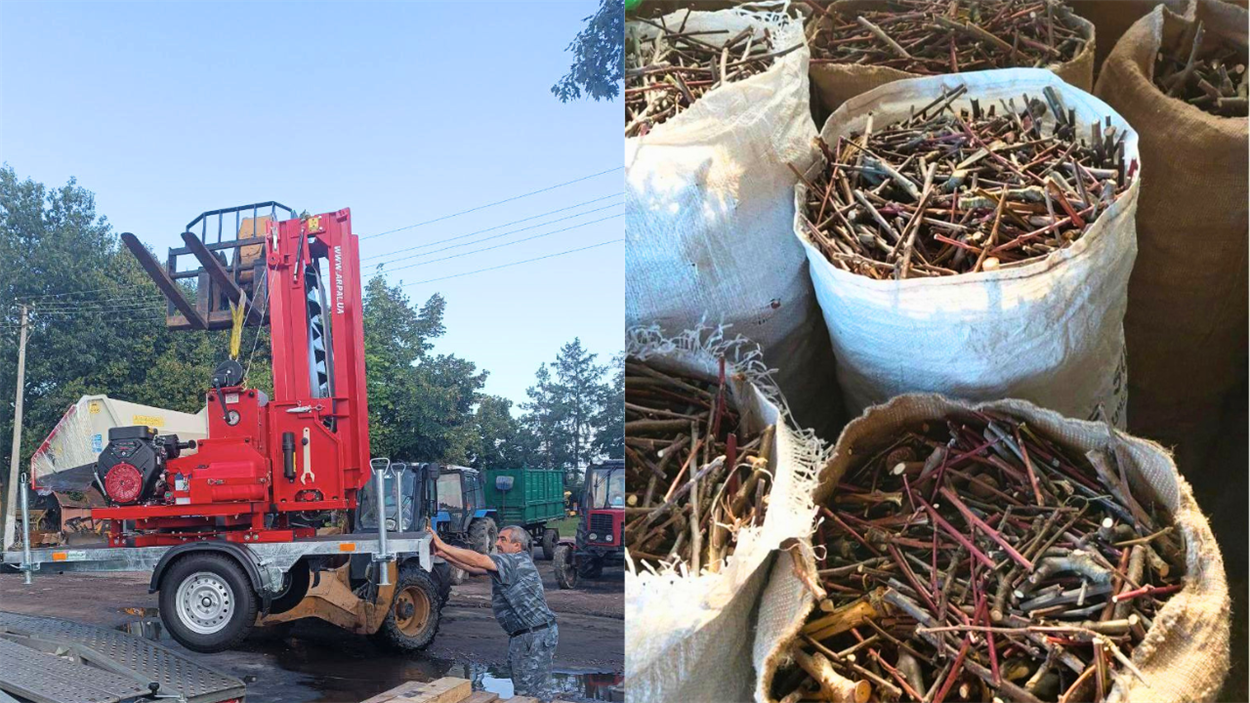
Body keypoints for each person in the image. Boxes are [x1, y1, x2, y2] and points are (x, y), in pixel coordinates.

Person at [428, 523, 559, 700]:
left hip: (533, 636)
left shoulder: (515, 561)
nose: (497, 543)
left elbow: (478, 560)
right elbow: (474, 568)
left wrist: (442, 544)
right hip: (526, 636)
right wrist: (442, 553)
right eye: (497, 538)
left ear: (517, 546)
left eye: (503, 539)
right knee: (525, 689)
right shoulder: (511, 562)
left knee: (530, 694)